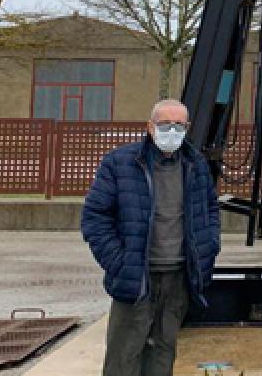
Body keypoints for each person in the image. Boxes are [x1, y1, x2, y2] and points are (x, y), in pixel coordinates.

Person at [81, 99, 221, 376]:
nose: (172, 131)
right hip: (136, 276)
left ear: (188, 128)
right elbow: (95, 218)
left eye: (179, 125)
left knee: (163, 353)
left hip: (179, 278)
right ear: (150, 126)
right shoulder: (120, 163)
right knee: (124, 357)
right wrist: (119, 262)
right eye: (165, 124)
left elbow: (210, 209)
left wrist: (209, 247)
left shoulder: (196, 165)